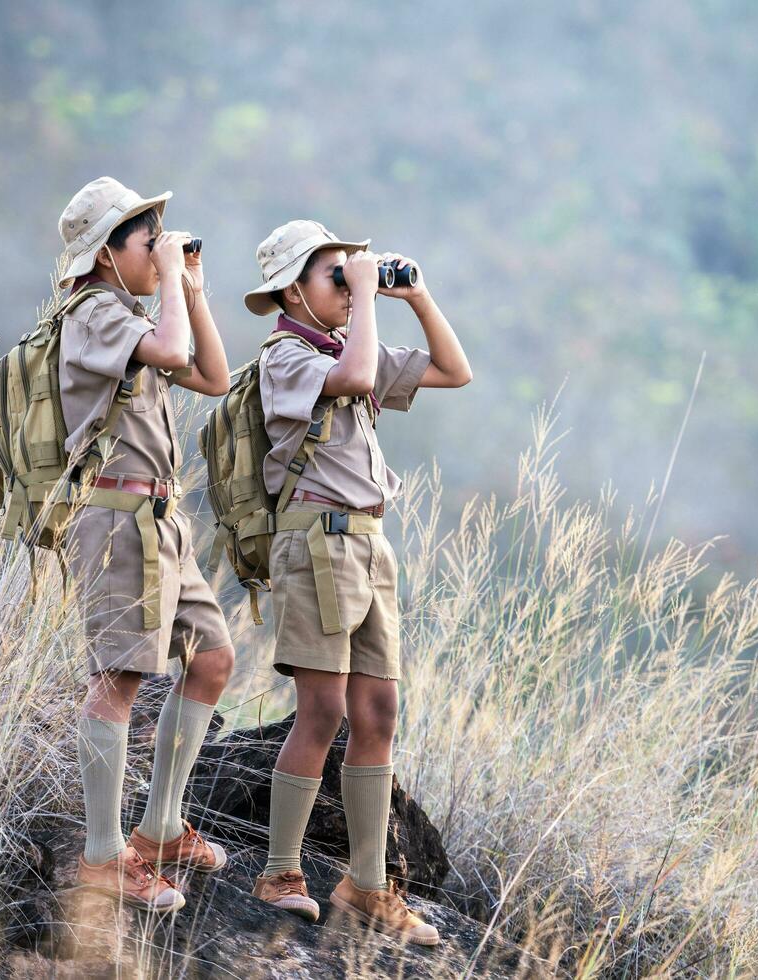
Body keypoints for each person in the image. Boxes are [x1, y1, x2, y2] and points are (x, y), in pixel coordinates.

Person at [242, 219, 472, 945]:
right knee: (321, 713)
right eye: (332, 277)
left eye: (350, 275)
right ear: (292, 289)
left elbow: (452, 369)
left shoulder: (352, 344)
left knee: (378, 714)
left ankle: (369, 884)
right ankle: (280, 871)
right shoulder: (284, 355)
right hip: (315, 543)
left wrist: (416, 295)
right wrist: (368, 300)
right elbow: (353, 379)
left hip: (368, 545)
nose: (347, 290)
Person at [54, 176, 234, 913]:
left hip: (161, 519)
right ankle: (102, 857)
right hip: (114, 517)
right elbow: (168, 349)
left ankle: (160, 829)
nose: (157, 245)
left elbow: (215, 377)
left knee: (213, 657)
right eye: (144, 238)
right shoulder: (92, 313)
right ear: (104, 256)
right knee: (119, 678)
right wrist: (168, 286)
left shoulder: (133, 314)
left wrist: (187, 286)